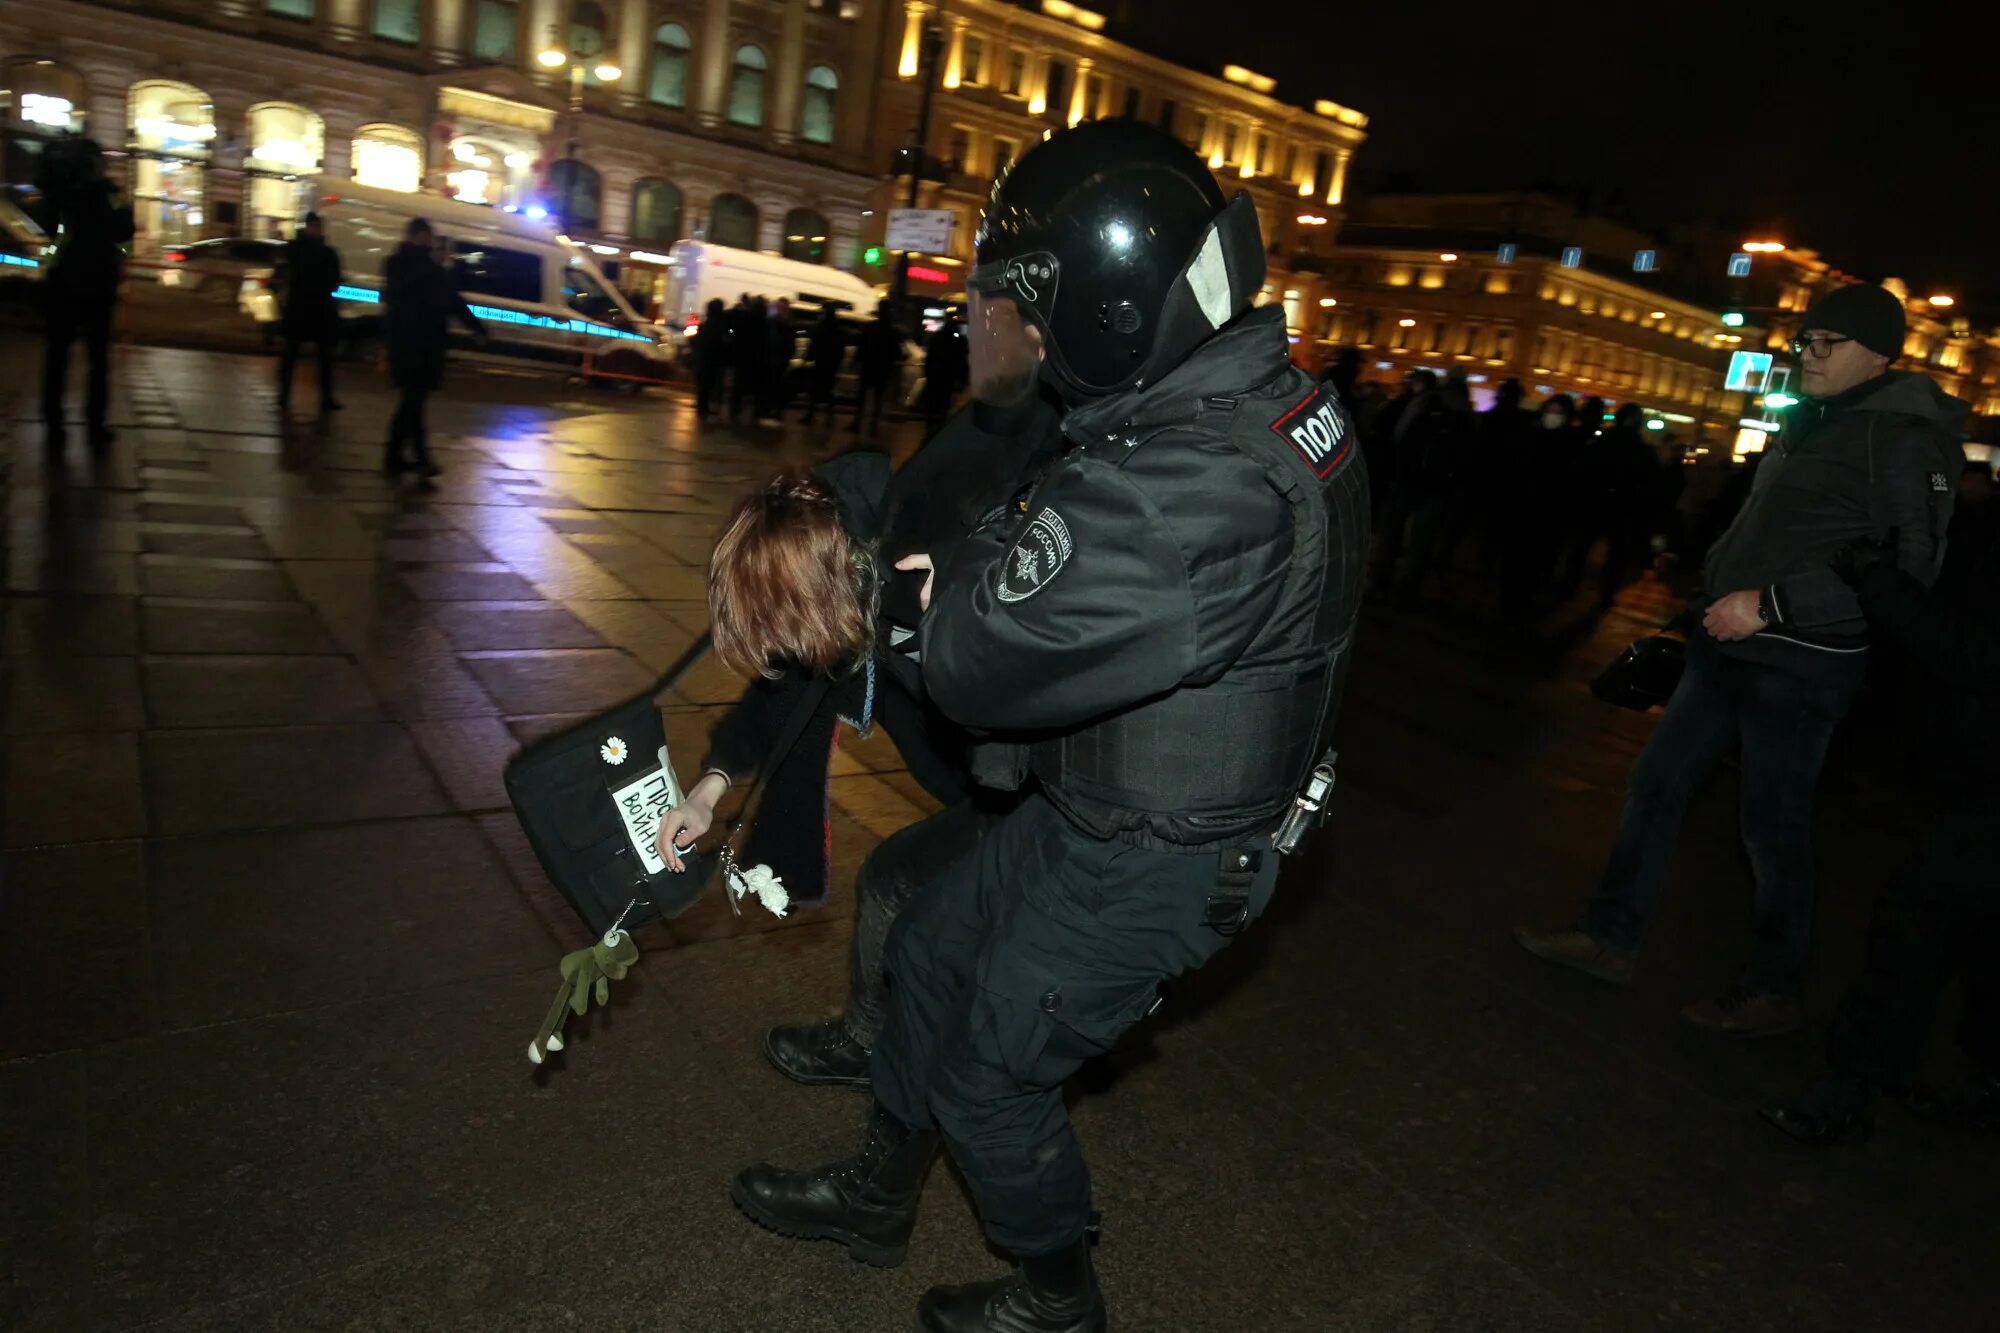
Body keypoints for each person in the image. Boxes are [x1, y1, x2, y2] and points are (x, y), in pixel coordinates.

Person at [729, 119, 1369, 1333]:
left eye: (1030, 300)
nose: (1018, 326)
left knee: (991, 1079)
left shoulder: (1195, 485)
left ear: (1110, 306)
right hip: (1100, 808)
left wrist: (919, 600)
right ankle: (876, 1199)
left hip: (1154, 854)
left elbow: (979, 659)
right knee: (925, 955)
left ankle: (1056, 1296)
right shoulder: (1229, 404)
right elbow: (1045, 554)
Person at [1518, 284, 1968, 1036]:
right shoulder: (1817, 419)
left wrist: (1772, 604)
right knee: (1656, 786)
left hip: (1802, 665)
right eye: (1804, 341)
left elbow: (1910, 564)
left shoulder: (1908, 438)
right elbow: (1765, 523)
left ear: (1878, 354)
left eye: (1825, 343)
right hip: (1727, 644)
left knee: (1772, 825)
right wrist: (1713, 586)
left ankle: (1773, 986)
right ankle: (1607, 937)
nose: (1806, 356)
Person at [657, 385, 1068, 1087]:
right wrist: (708, 789)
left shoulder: (923, 568)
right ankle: (901, 1053)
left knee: (905, 895)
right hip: (986, 788)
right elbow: (779, 695)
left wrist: (967, 617)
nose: (783, 654)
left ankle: (893, 1054)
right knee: (925, 916)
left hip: (1048, 790)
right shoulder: (843, 573)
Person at [1762, 507, 2000, 1144]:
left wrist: (1884, 585)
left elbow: (1976, 655)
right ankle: (1982, 1081)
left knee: (1917, 925)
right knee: (1977, 943)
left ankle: (1853, 1087)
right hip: (1972, 782)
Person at [37, 135, 133, 453]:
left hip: (61, 281)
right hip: (97, 284)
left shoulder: (61, 195)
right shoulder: (109, 195)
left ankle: (53, 424)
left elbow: (49, 227)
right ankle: (95, 424)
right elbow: (123, 232)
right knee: (97, 360)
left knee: (57, 356)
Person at [382, 218, 484, 480]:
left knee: (412, 403)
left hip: (428, 347)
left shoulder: (435, 270)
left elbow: (454, 303)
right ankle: (417, 458)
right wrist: (430, 267)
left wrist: (476, 328)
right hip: (408, 344)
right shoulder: (399, 264)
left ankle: (396, 457)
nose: (430, 243)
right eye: (426, 237)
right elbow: (397, 295)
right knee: (412, 404)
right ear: (414, 237)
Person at [1373, 368, 1472, 600]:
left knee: (1392, 532)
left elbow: (1400, 436)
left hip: (1406, 479)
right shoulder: (1466, 412)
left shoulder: (1423, 404)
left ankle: (1382, 579)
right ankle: (1407, 584)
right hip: (1436, 486)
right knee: (1421, 538)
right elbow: (1468, 455)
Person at [276, 210, 343, 418]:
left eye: (317, 227)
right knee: (294, 354)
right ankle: (285, 395)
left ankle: (322, 397)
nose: (315, 230)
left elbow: (335, 279)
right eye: (313, 226)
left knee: (319, 357)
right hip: (307, 308)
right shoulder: (303, 250)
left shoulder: (305, 250)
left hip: (311, 309)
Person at [1596, 402, 1663, 607]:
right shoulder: (1643, 449)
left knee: (1584, 546)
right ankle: (1606, 593)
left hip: (1602, 502)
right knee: (1616, 554)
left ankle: (1575, 585)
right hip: (1625, 507)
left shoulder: (1604, 441)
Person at [851, 300, 903, 434]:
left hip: (868, 365)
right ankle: (873, 425)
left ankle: (857, 422)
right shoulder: (892, 331)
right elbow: (897, 353)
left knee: (862, 395)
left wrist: (857, 361)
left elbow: (861, 346)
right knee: (878, 398)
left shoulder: (870, 327)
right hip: (883, 368)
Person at [921, 312, 968, 438]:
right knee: (943, 405)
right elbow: (962, 363)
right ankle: (938, 428)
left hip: (934, 376)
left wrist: (927, 373)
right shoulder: (959, 343)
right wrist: (961, 380)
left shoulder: (936, 339)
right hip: (948, 378)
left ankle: (929, 428)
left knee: (931, 404)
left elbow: (929, 358)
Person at [800, 306, 844, 426]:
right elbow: (840, 350)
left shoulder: (819, 328)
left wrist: (807, 358)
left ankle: (810, 414)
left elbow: (814, 345)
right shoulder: (838, 329)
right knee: (827, 390)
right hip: (831, 365)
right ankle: (829, 415)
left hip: (820, 363)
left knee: (814, 389)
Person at [730, 294, 767, 425]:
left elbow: (735, 332)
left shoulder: (744, 317)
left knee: (739, 385)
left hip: (743, 357)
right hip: (758, 358)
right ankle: (755, 413)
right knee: (756, 387)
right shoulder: (765, 321)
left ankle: (735, 410)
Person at [693, 297, 730, 421]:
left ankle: (702, 407)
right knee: (709, 384)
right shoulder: (719, 325)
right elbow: (723, 341)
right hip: (713, 359)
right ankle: (705, 408)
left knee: (703, 384)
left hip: (703, 358)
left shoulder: (705, 325)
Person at [759, 296, 793, 425]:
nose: (781, 310)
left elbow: (788, 344)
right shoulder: (771, 323)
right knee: (770, 386)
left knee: (778, 387)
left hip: (780, 361)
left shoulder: (787, 325)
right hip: (771, 360)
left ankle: (775, 411)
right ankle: (768, 410)